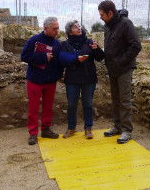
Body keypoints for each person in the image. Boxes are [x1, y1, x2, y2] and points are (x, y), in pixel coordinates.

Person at [98, 0, 142, 144]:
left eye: (102, 14)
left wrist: (121, 61)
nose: (100, 17)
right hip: (113, 68)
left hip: (124, 68)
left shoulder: (125, 23)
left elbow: (136, 46)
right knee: (115, 99)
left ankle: (127, 131)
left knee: (124, 99)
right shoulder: (107, 26)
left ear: (110, 13)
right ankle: (117, 126)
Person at [21, 17, 64, 145]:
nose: (57, 31)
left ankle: (46, 129)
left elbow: (59, 62)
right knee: (33, 109)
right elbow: (24, 56)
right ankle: (33, 134)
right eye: (54, 29)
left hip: (50, 81)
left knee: (48, 108)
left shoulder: (57, 44)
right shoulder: (34, 40)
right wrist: (43, 57)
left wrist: (58, 75)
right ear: (46, 28)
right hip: (35, 80)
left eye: (57, 28)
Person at [59, 20, 104, 139]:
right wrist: (75, 58)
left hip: (88, 78)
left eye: (79, 26)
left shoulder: (89, 42)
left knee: (88, 104)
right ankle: (71, 128)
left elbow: (100, 57)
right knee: (72, 104)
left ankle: (88, 128)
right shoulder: (66, 44)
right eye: (75, 27)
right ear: (70, 31)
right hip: (72, 79)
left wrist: (96, 49)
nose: (79, 28)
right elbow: (62, 59)